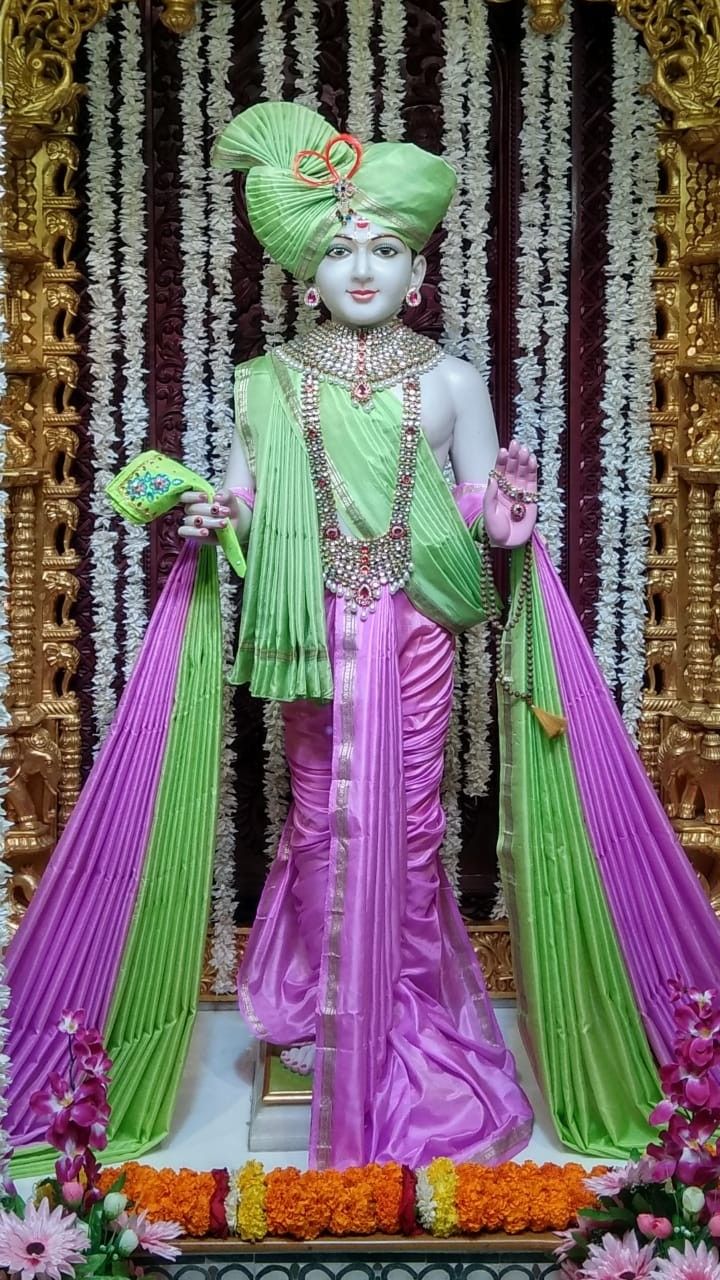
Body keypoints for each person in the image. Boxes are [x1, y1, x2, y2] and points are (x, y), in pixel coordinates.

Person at [179, 101, 539, 1170]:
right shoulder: (270, 383)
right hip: (308, 624)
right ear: (309, 275)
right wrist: (215, 514)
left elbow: (480, 509)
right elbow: (246, 503)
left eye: (385, 249)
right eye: (340, 249)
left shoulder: (452, 380)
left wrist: (508, 512)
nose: (363, 268)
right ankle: (316, 1009)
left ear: (418, 272)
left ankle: (405, 1005)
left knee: (410, 823)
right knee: (321, 817)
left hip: (417, 625)